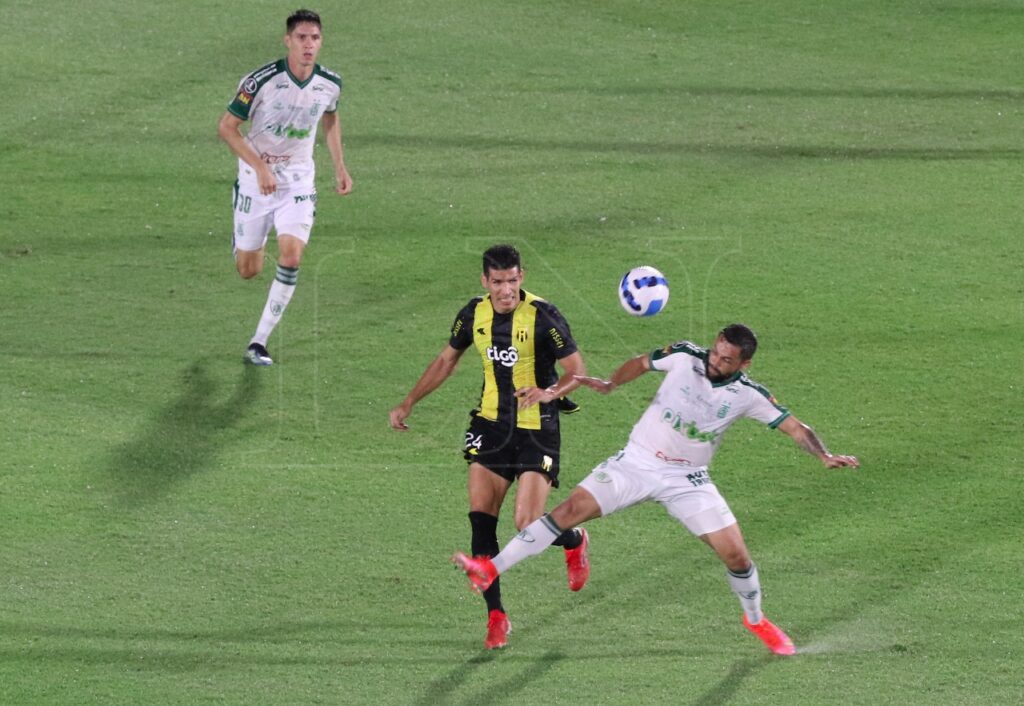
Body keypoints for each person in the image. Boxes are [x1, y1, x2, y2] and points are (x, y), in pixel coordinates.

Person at [454, 323, 859, 655]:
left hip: (689, 481)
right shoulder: (685, 355)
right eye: (716, 352)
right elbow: (643, 362)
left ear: (744, 363)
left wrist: (823, 455)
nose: (716, 361)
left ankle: (756, 620)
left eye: (726, 359)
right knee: (566, 512)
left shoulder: (747, 395)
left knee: (736, 556)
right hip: (637, 462)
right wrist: (612, 383)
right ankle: (491, 568)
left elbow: (795, 427)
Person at [390, 244, 591, 649]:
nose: (505, 290)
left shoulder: (543, 316)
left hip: (536, 427)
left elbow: (578, 372)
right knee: (481, 521)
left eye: (512, 280)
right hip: (490, 425)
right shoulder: (473, 314)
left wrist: (550, 392)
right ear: (485, 281)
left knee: (526, 524)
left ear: (523, 276)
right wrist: (409, 401)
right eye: (498, 282)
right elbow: (447, 360)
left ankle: (574, 541)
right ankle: (496, 616)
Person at [217, 9, 353, 366]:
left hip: (298, 180)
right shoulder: (259, 82)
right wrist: (259, 166)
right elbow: (227, 127)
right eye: (302, 38)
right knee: (249, 270)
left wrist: (340, 166)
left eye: (315, 38)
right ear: (288, 41)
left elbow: (331, 117)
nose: (309, 45)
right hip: (255, 179)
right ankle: (242, 236)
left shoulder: (330, 84)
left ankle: (258, 342)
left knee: (292, 255)